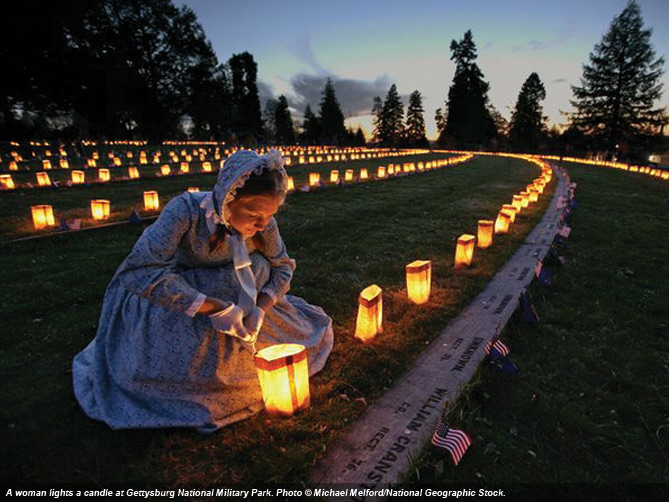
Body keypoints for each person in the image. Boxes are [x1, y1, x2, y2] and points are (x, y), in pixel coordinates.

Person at [73, 150, 334, 432]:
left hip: (239, 295)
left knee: (259, 266)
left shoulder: (264, 224)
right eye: (254, 214)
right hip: (175, 296)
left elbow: (282, 267)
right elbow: (141, 271)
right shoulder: (185, 212)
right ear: (228, 198)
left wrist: (261, 307)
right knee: (186, 368)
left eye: (269, 215)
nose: (262, 224)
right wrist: (212, 307)